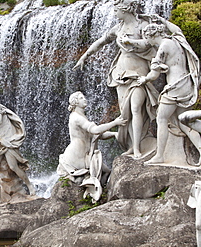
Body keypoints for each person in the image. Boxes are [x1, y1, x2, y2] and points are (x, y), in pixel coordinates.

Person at [73, 0, 161, 158]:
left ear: (125, 10)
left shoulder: (142, 26)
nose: (114, 13)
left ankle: (138, 147)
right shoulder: (118, 28)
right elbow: (100, 42)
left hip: (138, 72)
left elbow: (150, 43)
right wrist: (84, 56)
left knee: (136, 109)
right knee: (125, 113)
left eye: (116, 10)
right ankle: (130, 146)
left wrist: (130, 42)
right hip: (120, 73)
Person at [135, 23, 201, 165]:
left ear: (152, 36)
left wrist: (144, 79)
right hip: (186, 84)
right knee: (184, 122)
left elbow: (154, 74)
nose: (149, 43)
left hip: (175, 87)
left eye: (148, 39)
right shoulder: (176, 39)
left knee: (161, 118)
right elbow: (177, 29)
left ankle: (159, 155)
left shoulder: (164, 46)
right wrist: (163, 20)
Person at [57, 92, 127, 201]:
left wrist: (113, 134)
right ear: (75, 102)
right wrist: (115, 123)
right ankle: (91, 197)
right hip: (76, 156)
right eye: (81, 98)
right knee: (98, 173)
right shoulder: (76, 117)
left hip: (84, 154)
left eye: (84, 97)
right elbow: (95, 130)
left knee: (106, 171)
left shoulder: (81, 116)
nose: (84, 99)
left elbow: (97, 134)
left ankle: (98, 196)